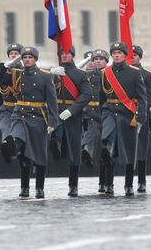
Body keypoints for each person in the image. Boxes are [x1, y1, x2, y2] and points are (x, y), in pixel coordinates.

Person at [0, 47, 58, 199]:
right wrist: (6, 65)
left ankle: (39, 187)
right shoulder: (16, 75)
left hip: (38, 116)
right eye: (25, 57)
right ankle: (24, 186)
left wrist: (53, 121)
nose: (27, 59)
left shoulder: (45, 77)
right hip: (19, 115)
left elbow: (52, 101)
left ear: (35, 59)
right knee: (18, 143)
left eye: (30, 57)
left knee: (40, 154)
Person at [99, 42, 147, 196]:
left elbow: (142, 97)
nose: (117, 55)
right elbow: (102, 97)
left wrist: (140, 118)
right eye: (114, 53)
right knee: (107, 143)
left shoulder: (134, 72)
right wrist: (102, 114)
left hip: (128, 114)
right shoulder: (105, 72)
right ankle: (109, 183)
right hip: (110, 112)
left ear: (125, 55)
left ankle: (128, 184)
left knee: (128, 152)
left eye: (119, 53)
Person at [50, 45, 92, 197]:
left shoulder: (80, 75)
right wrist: (51, 75)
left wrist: (71, 110)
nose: (64, 55)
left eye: (67, 53)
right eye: (61, 53)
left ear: (73, 55)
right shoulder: (54, 72)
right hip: (56, 112)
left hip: (73, 114)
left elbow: (87, 95)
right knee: (53, 137)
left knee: (74, 151)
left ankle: (73, 185)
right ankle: (56, 143)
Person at [81, 49, 109, 193]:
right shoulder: (83, 77)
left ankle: (104, 182)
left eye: (97, 60)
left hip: (103, 114)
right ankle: (86, 151)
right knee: (94, 142)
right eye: (91, 60)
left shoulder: (105, 76)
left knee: (104, 149)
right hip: (87, 114)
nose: (94, 62)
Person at [0, 43, 23, 163]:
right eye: (11, 54)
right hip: (5, 109)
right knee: (6, 129)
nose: (13, 56)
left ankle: (14, 150)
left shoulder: (25, 71)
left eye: (16, 54)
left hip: (21, 109)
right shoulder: (2, 72)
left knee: (18, 133)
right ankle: (7, 150)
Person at [131, 45, 151, 193]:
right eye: (131, 55)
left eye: (135, 55)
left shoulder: (146, 75)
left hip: (141, 115)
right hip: (125, 113)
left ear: (140, 57)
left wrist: (141, 110)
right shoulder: (123, 73)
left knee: (141, 150)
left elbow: (150, 97)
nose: (133, 57)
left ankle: (141, 181)